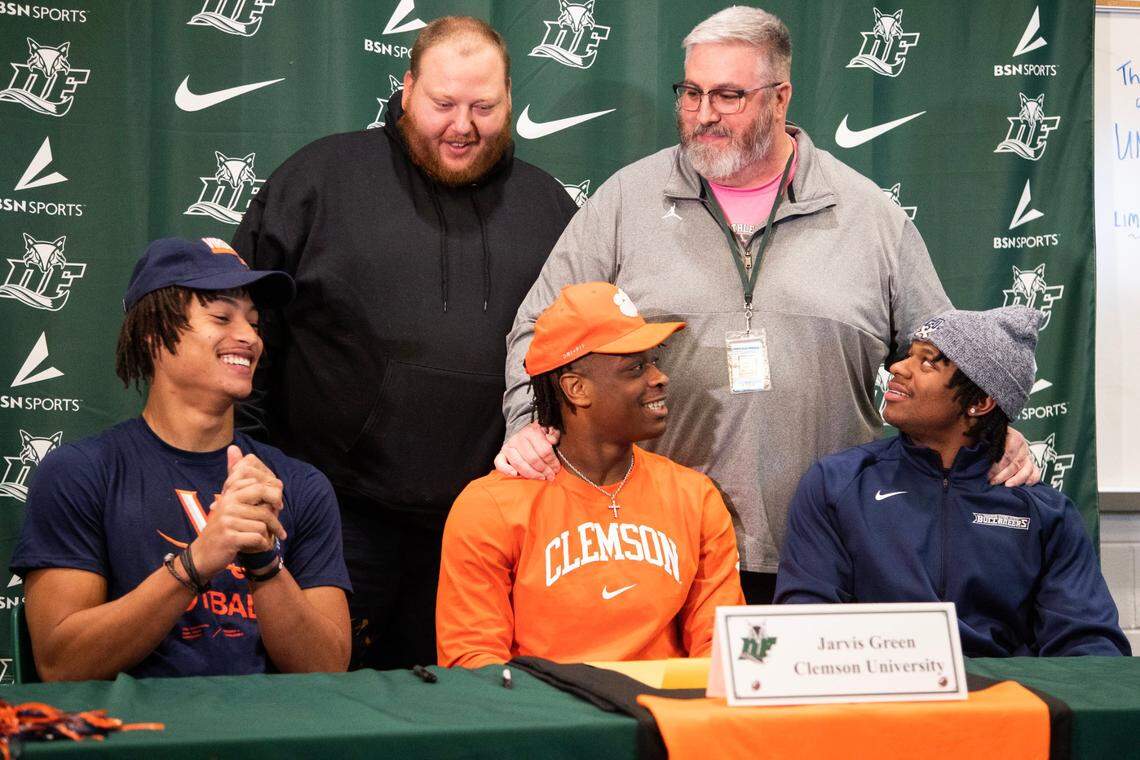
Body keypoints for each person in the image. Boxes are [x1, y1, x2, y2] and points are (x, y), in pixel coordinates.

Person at [496, 6, 1036, 605]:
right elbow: (538, 329)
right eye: (691, 92)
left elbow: (948, 360)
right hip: (655, 549)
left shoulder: (869, 215)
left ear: (781, 99)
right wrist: (528, 426)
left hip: (835, 550)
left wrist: (990, 433)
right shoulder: (625, 202)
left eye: (728, 96)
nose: (703, 115)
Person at [230, 17, 579, 669]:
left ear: (509, 99)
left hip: (486, 527)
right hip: (332, 521)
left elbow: (578, 359)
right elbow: (240, 334)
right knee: (326, 720)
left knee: (460, 723)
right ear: (408, 88)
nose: (462, 125)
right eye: (443, 104)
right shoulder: (318, 181)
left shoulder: (549, 208)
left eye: (484, 107)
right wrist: (257, 470)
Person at [10, 237, 353, 680]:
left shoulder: (296, 484)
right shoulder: (80, 474)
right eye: (221, 317)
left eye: (253, 321)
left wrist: (265, 562)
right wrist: (195, 564)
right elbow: (63, 665)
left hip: (263, 738)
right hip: (130, 741)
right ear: (154, 334)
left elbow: (326, 669)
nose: (249, 337)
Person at [775, 307, 1130, 657]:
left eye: (927, 362)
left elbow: (1090, 647)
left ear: (980, 401)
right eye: (908, 356)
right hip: (878, 701)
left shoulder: (1046, 514)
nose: (897, 367)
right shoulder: (837, 484)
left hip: (1003, 706)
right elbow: (806, 624)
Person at [437, 283, 744, 668]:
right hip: (550, 720)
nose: (659, 377)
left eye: (652, 361)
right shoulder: (490, 507)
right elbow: (473, 661)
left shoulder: (694, 496)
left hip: (663, 718)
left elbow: (722, 650)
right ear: (577, 388)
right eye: (635, 367)